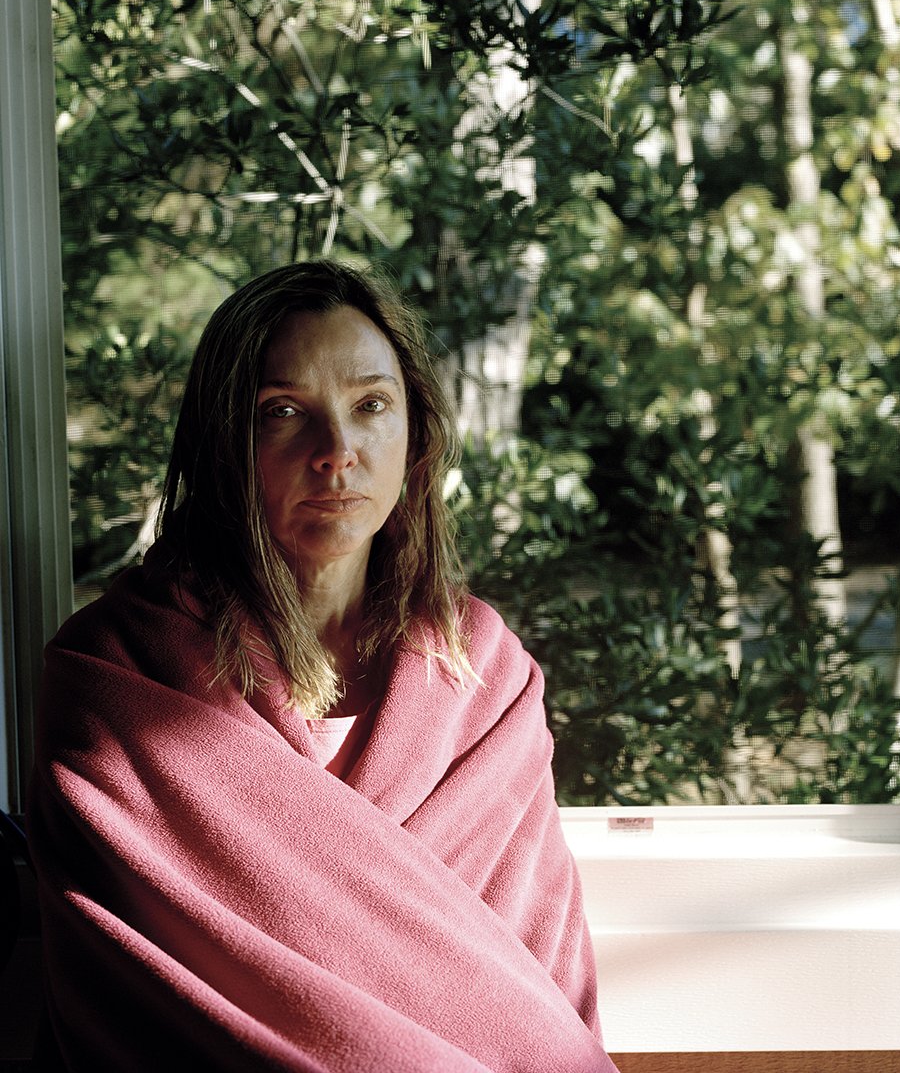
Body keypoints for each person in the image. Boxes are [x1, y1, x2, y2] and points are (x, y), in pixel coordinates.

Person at [28, 260, 616, 1072]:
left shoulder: (486, 673)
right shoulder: (119, 676)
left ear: (416, 432)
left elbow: (541, 985)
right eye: (282, 412)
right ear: (223, 440)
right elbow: (134, 1000)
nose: (336, 450)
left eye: (370, 404)